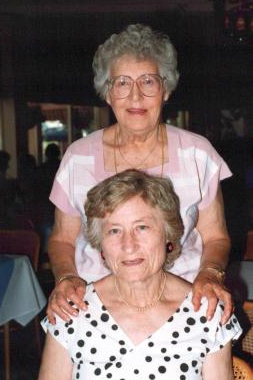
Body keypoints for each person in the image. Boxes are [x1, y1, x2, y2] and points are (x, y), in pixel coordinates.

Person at [47, 23, 233, 325]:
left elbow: (216, 236)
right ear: (107, 93)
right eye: (121, 83)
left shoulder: (198, 154)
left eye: (148, 81)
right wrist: (66, 277)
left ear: (166, 89)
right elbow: (61, 240)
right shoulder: (77, 158)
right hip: (94, 306)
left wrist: (210, 274)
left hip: (184, 303)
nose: (135, 96)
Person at [39, 170, 241, 380]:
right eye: (114, 231)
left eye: (142, 227)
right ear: (101, 245)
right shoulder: (71, 310)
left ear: (168, 234)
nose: (129, 245)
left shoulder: (206, 311)